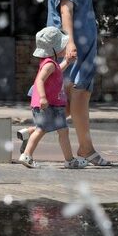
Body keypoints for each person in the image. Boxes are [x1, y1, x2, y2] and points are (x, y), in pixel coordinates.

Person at [41, 0, 111, 166]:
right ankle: (86, 149)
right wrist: (71, 42)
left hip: (80, 45)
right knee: (79, 95)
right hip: (75, 47)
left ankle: (33, 133)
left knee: (70, 100)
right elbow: (65, 9)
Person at [18, 26, 88, 170]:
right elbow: (39, 80)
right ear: (53, 49)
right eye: (61, 46)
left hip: (54, 104)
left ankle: (69, 160)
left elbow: (57, 72)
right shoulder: (49, 64)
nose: (64, 49)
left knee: (62, 130)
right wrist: (43, 98)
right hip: (47, 104)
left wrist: (67, 62)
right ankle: (27, 155)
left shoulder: (51, 63)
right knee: (42, 129)